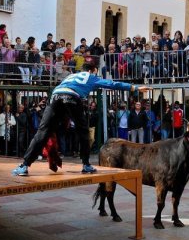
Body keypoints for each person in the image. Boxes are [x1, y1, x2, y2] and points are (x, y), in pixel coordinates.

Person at [12, 61, 152, 176]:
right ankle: (86, 164)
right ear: (93, 70)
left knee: (42, 132)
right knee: (83, 131)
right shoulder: (92, 77)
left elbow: (60, 92)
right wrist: (134, 88)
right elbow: (112, 84)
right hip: (72, 97)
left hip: (55, 96)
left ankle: (24, 166)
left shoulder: (70, 76)